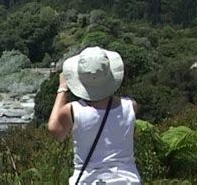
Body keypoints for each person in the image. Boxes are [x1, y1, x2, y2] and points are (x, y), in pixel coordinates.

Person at [48, 46, 140, 184]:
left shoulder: (73, 110)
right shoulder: (130, 106)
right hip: (127, 180)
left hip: (88, 180)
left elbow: (55, 131)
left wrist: (62, 89)